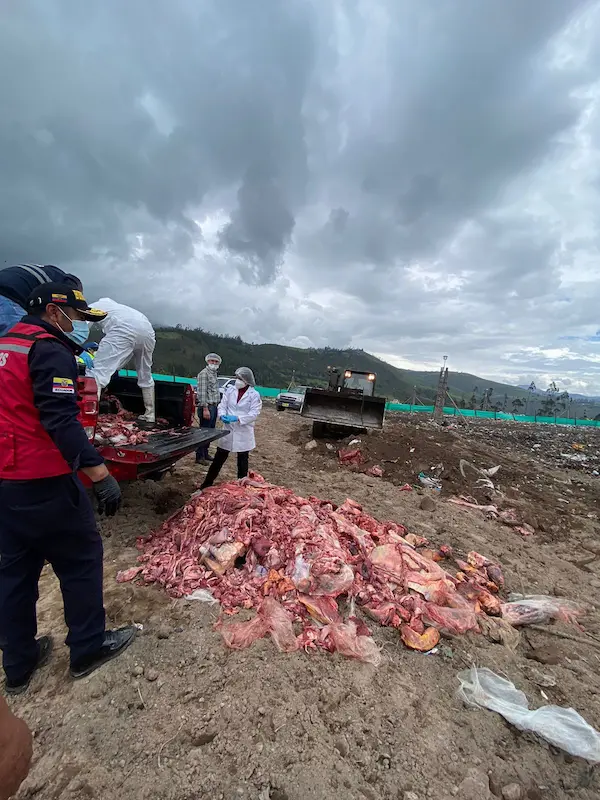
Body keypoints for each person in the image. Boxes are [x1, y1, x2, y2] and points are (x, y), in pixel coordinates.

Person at [0, 282, 136, 694]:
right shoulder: (49, 349)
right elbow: (60, 420)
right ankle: (87, 648)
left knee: (14, 573)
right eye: (77, 318)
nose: (81, 328)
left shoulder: (7, 345)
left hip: (6, 482)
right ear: (56, 311)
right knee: (80, 560)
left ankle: (19, 665)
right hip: (44, 479)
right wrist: (100, 475)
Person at [87, 298, 156, 423]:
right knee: (145, 374)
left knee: (98, 374)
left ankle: (91, 418)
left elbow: (81, 326)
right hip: (148, 332)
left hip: (123, 329)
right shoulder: (121, 309)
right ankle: (150, 415)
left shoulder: (96, 305)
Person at [200, 367, 262, 489]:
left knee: (242, 461)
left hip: (243, 431)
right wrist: (222, 415)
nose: (237, 381)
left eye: (240, 378)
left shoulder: (254, 394)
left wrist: (237, 418)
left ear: (247, 380)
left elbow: (254, 414)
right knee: (218, 459)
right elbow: (223, 405)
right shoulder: (230, 390)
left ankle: (241, 488)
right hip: (228, 429)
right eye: (237, 378)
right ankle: (206, 484)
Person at [0, 264, 82, 337]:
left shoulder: (51, 274)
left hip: (7, 295)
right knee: (19, 342)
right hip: (8, 297)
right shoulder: (67, 285)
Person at [195, 352, 222, 465]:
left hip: (214, 406)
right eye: (212, 361)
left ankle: (205, 453)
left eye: (216, 362)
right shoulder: (204, 374)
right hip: (207, 407)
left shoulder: (214, 374)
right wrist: (205, 408)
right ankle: (199, 456)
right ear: (207, 361)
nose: (214, 363)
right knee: (204, 432)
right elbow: (202, 393)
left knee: (209, 432)